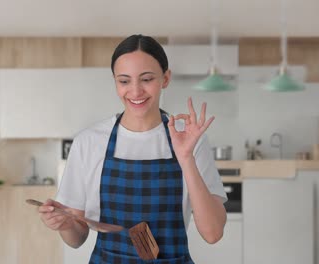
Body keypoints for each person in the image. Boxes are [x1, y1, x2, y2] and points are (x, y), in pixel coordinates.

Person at [39, 34, 227, 263]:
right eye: (124, 81)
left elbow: (213, 233)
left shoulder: (190, 140)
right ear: (115, 82)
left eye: (147, 79)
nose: (136, 91)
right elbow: (76, 239)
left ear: (165, 78)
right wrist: (65, 224)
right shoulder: (89, 142)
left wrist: (186, 157)